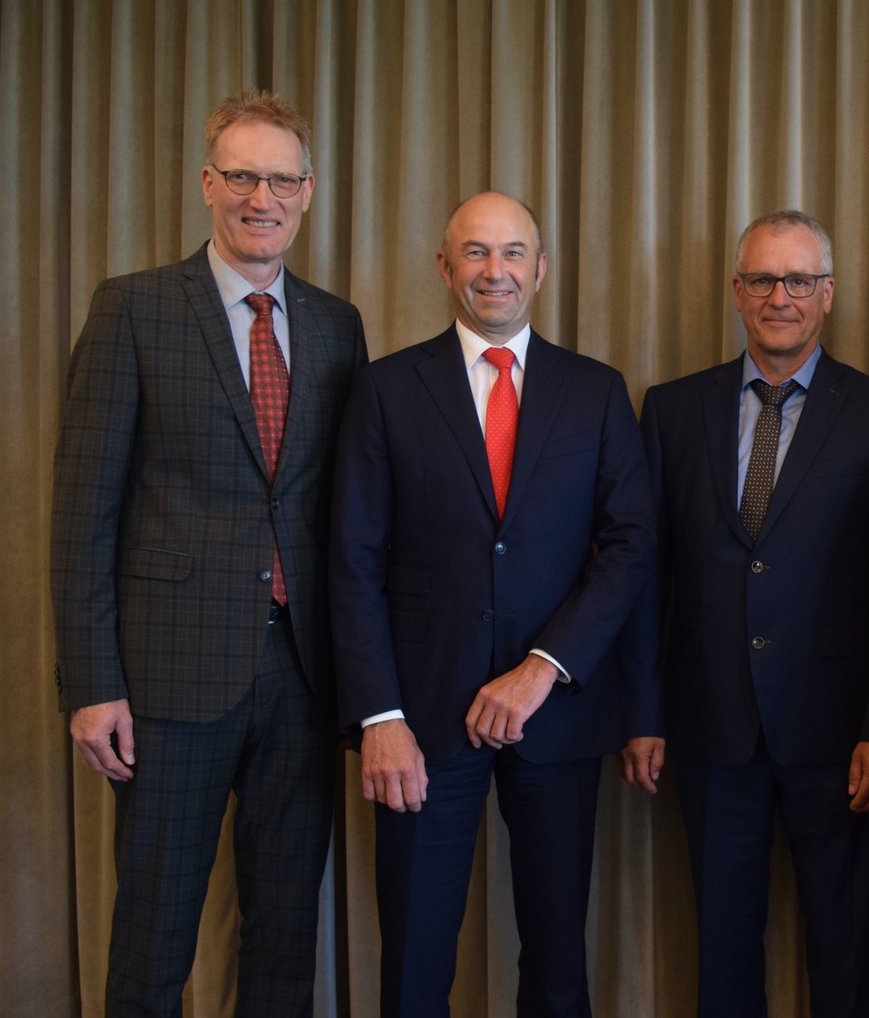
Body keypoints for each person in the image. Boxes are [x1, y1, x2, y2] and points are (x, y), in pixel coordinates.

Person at [50, 89, 367, 1015]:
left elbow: (348, 508)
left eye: (281, 180)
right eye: (241, 176)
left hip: (304, 678)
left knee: (284, 934)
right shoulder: (134, 309)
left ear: (308, 192)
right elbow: (82, 512)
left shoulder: (337, 324)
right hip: (167, 682)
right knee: (154, 934)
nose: (261, 198)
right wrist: (91, 684)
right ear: (206, 184)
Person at [329, 192, 653, 1017]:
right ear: (445, 267)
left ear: (540, 270)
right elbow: (353, 561)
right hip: (419, 721)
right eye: (475, 252)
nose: (494, 271)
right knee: (414, 963)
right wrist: (379, 717)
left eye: (512, 253)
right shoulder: (386, 389)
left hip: (557, 715)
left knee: (558, 966)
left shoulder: (596, 391)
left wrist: (544, 668)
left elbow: (630, 547)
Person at [621, 209, 869, 1016]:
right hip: (710, 724)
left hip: (839, 735)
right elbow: (647, 577)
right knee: (722, 948)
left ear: (828, 293)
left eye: (798, 280)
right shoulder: (672, 410)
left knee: (841, 944)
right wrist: (642, 713)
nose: (778, 297)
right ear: (736, 291)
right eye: (762, 279)